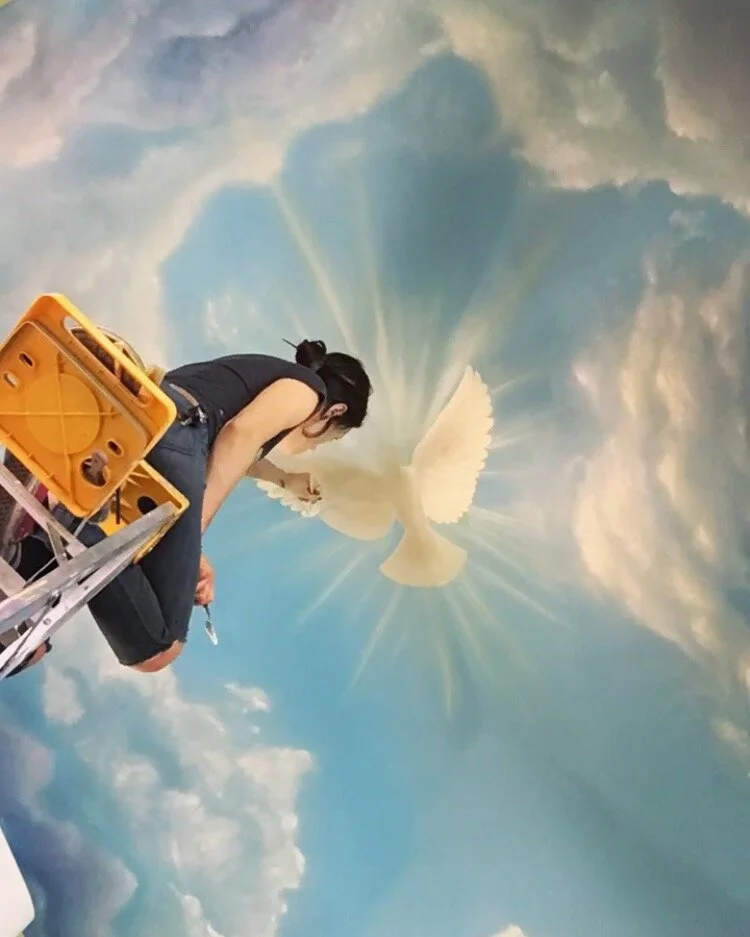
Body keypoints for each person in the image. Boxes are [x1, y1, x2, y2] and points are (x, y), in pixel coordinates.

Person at [5, 339, 372, 676]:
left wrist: (282, 479)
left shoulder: (251, 374)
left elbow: (237, 442)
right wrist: (195, 535)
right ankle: (80, 524)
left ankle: (29, 549)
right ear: (334, 411)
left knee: (30, 610)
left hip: (137, 430)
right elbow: (239, 435)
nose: (318, 448)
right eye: (332, 437)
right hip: (178, 437)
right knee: (157, 647)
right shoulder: (309, 390)